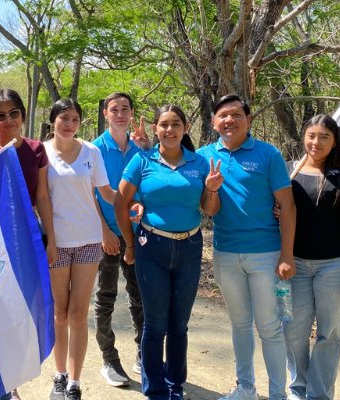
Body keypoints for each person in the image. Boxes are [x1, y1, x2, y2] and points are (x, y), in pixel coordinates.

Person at [114, 105, 222, 400]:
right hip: (152, 246)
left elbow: (209, 209)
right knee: (155, 323)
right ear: (155, 129)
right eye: (164, 125)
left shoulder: (200, 163)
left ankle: (176, 385)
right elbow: (119, 204)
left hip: (189, 246)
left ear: (185, 128)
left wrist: (211, 189)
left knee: (179, 324)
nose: (170, 130)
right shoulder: (142, 160)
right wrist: (130, 244)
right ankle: (157, 390)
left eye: (176, 124)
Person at [196, 94, 296, 400]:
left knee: (269, 327)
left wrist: (287, 254)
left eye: (236, 114)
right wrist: (211, 188)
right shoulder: (203, 157)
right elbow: (208, 209)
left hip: (266, 254)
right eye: (223, 115)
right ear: (213, 122)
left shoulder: (268, 154)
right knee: (239, 324)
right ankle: (245, 388)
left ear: (248, 120)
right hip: (225, 253)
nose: (229, 120)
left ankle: (278, 393)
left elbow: (287, 206)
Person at [283, 115, 340, 400]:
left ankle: (319, 395)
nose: (316, 142)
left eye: (324, 137)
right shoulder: (287, 172)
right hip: (294, 266)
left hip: (335, 266)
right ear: (304, 137)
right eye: (311, 135)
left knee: (329, 334)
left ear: (334, 142)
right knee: (292, 330)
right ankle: (298, 390)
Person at [0, 88, 57, 400]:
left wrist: (51, 240)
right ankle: (3, 384)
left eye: (14, 113)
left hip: (26, 238)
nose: (8, 120)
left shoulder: (35, 149)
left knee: (21, 308)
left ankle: (13, 378)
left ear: (23, 116)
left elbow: (42, 196)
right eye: (0, 115)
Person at [45, 99, 114, 400]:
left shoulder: (92, 153)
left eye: (75, 119)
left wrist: (132, 202)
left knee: (78, 313)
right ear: (53, 122)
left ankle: (75, 381)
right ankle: (59, 376)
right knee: (59, 313)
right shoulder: (41, 153)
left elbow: (106, 193)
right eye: (63, 118)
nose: (69, 124)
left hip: (88, 241)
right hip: (56, 244)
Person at [91, 92, 148, 386]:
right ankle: (109, 360)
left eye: (126, 108)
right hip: (110, 236)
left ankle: (143, 355)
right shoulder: (95, 149)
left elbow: (152, 181)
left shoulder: (140, 148)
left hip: (139, 236)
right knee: (106, 298)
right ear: (105, 114)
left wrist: (149, 148)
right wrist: (104, 230)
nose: (121, 113)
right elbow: (92, 193)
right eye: (115, 109)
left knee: (141, 298)